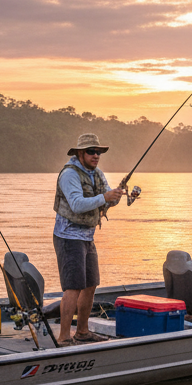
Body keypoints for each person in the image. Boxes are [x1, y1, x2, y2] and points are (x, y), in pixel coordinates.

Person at [53, 133, 127, 344]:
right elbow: (76, 204)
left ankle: (82, 332)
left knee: (90, 284)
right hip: (68, 236)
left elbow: (106, 202)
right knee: (73, 287)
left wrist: (116, 196)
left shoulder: (98, 174)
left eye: (98, 152)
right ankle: (64, 338)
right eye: (91, 152)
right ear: (79, 153)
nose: (96, 156)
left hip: (87, 236)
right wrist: (105, 196)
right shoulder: (69, 175)